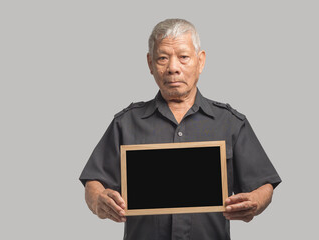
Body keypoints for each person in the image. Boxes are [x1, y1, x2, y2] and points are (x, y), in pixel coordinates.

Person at [79, 18, 281, 240]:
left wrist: (257, 201)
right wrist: (98, 200)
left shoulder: (230, 122)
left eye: (183, 57)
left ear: (200, 61)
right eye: (163, 58)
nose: (173, 68)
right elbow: (94, 181)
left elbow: (264, 184)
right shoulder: (125, 123)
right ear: (150, 63)